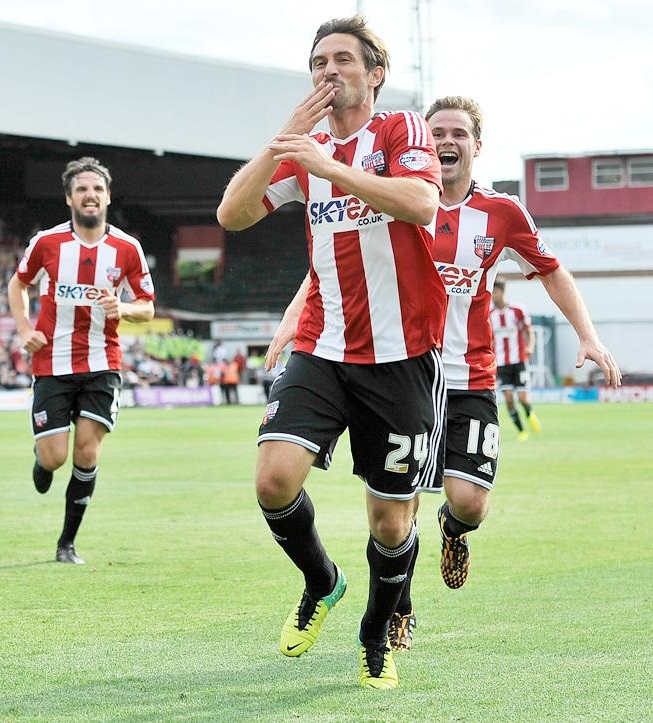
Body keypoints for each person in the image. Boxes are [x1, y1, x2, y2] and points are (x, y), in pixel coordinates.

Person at [266, 95, 622, 654]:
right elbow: (333, 263)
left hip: (469, 377)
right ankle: (397, 609)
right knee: (394, 504)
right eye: (438, 132)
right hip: (401, 368)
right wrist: (293, 319)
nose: (447, 141)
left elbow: (551, 270)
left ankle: (453, 532)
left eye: (460, 133)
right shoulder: (387, 197)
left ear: (478, 146)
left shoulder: (501, 214)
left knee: (469, 502)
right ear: (423, 143)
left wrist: (588, 334)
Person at [217, 15, 446, 689]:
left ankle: (376, 632)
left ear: (374, 74)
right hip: (324, 345)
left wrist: (327, 167)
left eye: (343, 59)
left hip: (401, 354)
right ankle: (322, 581)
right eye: (318, 62)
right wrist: (286, 140)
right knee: (272, 479)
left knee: (388, 517)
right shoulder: (306, 147)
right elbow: (232, 212)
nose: (328, 71)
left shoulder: (400, 131)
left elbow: (422, 203)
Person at [7, 157, 155, 565]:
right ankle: (42, 461)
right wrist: (24, 331)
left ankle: (66, 543)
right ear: (69, 197)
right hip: (52, 363)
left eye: (97, 189)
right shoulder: (47, 243)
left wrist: (122, 308)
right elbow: (18, 285)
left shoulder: (127, 248)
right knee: (55, 457)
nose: (90, 195)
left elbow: (147, 307)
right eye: (82, 189)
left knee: (86, 453)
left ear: (107, 197)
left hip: (101, 363)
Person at [490, 280, 541, 441]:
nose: (493, 295)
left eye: (495, 291)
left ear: (502, 292)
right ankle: (521, 431)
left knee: (523, 398)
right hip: (501, 363)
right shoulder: (489, 314)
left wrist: (530, 347)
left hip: (519, 361)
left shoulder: (517, 310)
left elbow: (528, 331)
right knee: (509, 399)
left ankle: (529, 412)